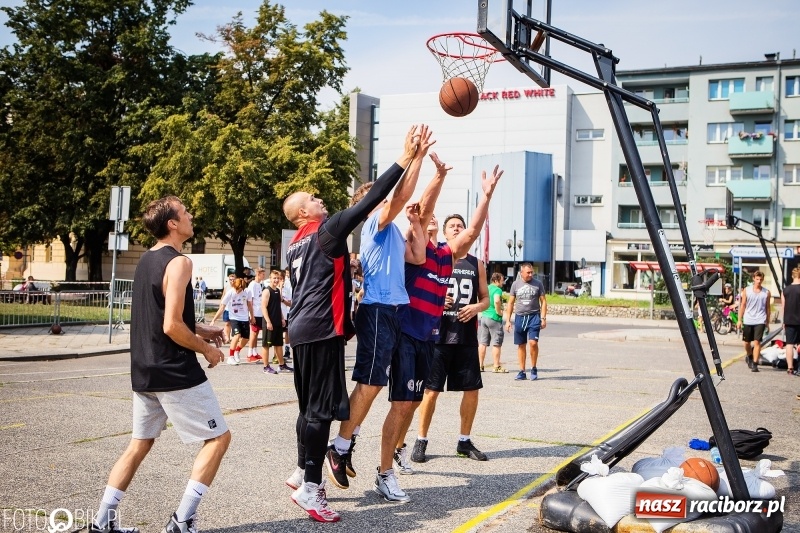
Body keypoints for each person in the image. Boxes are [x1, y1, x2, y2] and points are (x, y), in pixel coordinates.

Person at [281, 124, 421, 522]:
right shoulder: (325, 230)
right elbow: (373, 198)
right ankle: (311, 487)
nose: (320, 197)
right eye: (313, 197)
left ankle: (300, 471)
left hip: (302, 327)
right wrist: (406, 156)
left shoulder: (297, 244)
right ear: (304, 213)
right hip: (321, 328)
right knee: (321, 411)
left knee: (308, 409)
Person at [86, 196, 230, 533]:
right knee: (219, 439)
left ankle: (102, 522)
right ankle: (183, 520)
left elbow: (161, 315)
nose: (191, 215)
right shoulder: (180, 263)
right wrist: (206, 349)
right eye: (185, 212)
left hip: (144, 369)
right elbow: (170, 326)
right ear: (173, 224)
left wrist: (202, 328)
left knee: (139, 443)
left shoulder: (147, 260)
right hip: (173, 370)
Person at [324, 125, 433, 504]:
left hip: (393, 312)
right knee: (369, 384)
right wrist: (415, 158)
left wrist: (418, 223)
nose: (388, 199)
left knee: (379, 388)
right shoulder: (373, 222)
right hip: (375, 310)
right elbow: (398, 195)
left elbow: (418, 256)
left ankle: (347, 445)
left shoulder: (391, 232)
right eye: (380, 196)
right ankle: (339, 445)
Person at [389, 157, 503, 467]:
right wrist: (437, 176)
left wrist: (487, 196)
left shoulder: (449, 257)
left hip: (445, 335)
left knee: (421, 398)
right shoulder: (417, 251)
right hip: (416, 333)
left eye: (456, 225)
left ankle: (447, 443)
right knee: (411, 399)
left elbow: (475, 230)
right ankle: (397, 448)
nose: (443, 223)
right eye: (437, 221)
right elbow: (423, 211)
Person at [413, 214, 490, 462]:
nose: (456, 229)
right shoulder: (437, 257)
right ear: (445, 233)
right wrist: (438, 298)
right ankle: (421, 440)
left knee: (472, 390)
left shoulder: (476, 264)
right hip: (438, 335)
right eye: (452, 226)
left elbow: (486, 298)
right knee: (431, 391)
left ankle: (464, 442)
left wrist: (476, 308)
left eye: (460, 226)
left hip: (466, 336)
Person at [505, 263, 547, 381]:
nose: (530, 274)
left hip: (534, 316)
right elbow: (511, 303)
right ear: (521, 273)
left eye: (531, 272)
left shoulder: (538, 284)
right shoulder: (515, 284)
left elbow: (543, 301)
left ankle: (533, 368)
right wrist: (508, 320)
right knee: (521, 344)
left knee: (533, 343)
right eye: (528, 272)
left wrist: (543, 318)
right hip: (520, 317)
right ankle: (522, 371)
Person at [210, 277, 253, 365]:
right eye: (237, 288)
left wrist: (252, 316)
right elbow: (222, 307)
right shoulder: (230, 293)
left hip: (244, 318)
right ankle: (231, 357)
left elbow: (249, 305)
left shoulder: (247, 292)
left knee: (246, 338)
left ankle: (237, 351)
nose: (238, 291)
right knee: (237, 335)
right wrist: (213, 320)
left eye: (240, 289)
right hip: (234, 317)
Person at [739, 270, 771, 372]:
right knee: (747, 342)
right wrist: (739, 320)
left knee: (757, 342)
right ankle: (749, 356)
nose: (759, 281)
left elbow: (768, 308)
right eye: (757, 279)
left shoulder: (766, 293)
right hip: (748, 319)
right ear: (753, 279)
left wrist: (767, 321)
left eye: (761, 279)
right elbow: (743, 305)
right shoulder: (747, 291)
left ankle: (755, 363)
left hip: (760, 319)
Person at [261, 269, 292, 374]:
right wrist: (268, 322)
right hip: (269, 323)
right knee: (266, 345)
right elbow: (263, 308)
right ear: (270, 278)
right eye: (274, 278)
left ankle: (282, 365)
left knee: (278, 344)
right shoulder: (267, 291)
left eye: (278, 278)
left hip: (278, 322)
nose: (276, 280)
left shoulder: (277, 291)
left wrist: (282, 318)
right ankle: (266, 367)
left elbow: (278, 306)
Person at [479, 272, 507, 373]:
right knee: (497, 343)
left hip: (484, 316)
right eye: (502, 280)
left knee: (483, 342)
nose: (503, 282)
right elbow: (496, 301)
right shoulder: (497, 290)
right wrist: (499, 312)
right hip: (494, 318)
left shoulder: (487, 287)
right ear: (496, 280)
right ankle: (496, 366)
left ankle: (480, 365)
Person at [781, 267, 800, 376]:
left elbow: (783, 307)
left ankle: (790, 368)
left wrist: (784, 321)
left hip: (789, 320)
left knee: (789, 344)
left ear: (792, 276)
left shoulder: (785, 290)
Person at [245, 268, 267, 362]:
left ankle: (254, 352)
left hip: (259, 312)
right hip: (254, 312)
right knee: (253, 333)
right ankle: (250, 353)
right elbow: (251, 300)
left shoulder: (260, 284)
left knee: (257, 333)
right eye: (262, 274)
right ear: (258, 274)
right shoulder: (253, 284)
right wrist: (251, 315)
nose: (264, 276)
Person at [280, 268, 292, 361]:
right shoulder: (272, 288)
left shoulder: (288, 286)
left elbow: (289, 301)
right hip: (277, 314)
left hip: (287, 312)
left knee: (287, 332)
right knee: (278, 333)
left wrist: (283, 301)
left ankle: (287, 351)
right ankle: (277, 353)